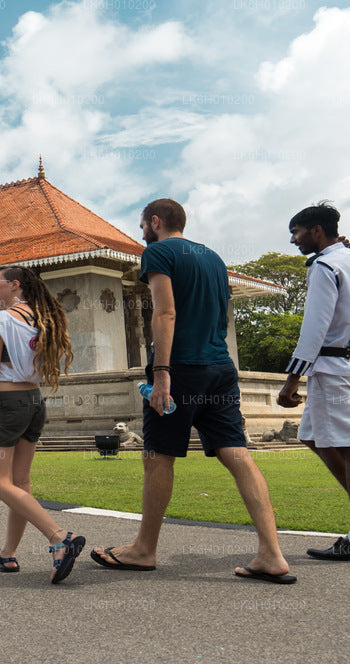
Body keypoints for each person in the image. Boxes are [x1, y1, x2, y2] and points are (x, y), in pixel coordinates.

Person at [90, 198, 296, 584]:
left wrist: (163, 373)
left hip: (180, 368)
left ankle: (144, 549)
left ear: (155, 221)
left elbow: (165, 313)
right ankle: (271, 553)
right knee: (237, 455)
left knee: (157, 455)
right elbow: (220, 314)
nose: (141, 233)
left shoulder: (159, 253)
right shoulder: (214, 259)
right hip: (219, 367)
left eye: (142, 225)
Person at [0, 265, 84, 584]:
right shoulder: (43, 318)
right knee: (20, 483)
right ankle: (7, 554)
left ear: (15, 286)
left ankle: (59, 538)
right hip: (34, 403)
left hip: (5, 404)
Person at [277, 202, 350, 561]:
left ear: (316, 230)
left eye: (297, 232)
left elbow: (314, 328)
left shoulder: (325, 266)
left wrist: (291, 379)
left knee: (348, 442)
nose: (294, 240)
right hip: (348, 362)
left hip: (331, 365)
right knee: (311, 436)